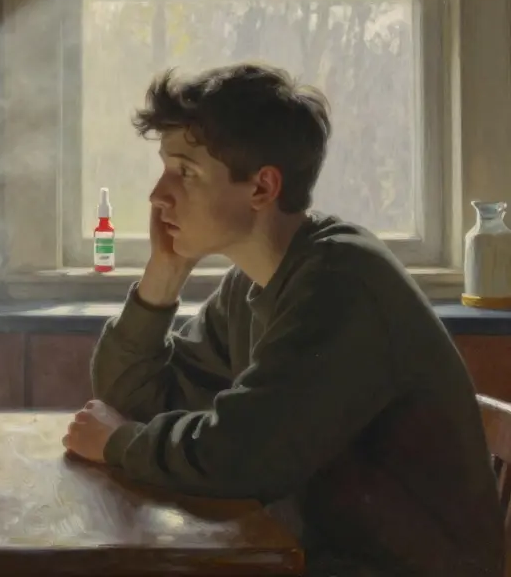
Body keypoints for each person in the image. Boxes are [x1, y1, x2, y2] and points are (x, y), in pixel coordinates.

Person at [61, 63, 504, 576]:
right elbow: (132, 399)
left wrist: (119, 444)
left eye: (184, 171)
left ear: (261, 188)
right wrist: (165, 270)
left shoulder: (340, 283)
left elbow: (242, 457)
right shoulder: (255, 279)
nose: (158, 194)